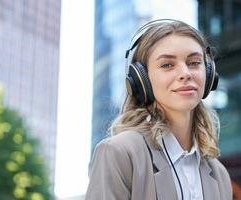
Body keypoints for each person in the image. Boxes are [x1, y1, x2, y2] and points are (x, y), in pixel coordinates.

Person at [86, 19, 232, 200]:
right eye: (167, 65)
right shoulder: (118, 153)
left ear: (209, 73)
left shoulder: (219, 175)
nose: (185, 73)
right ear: (141, 80)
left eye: (194, 62)